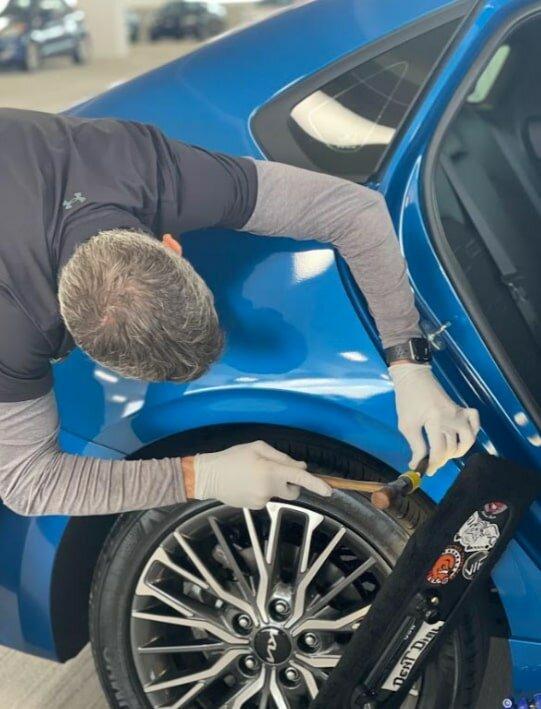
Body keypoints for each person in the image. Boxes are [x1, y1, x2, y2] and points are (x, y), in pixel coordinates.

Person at [0, 108, 479, 516]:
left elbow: (354, 210)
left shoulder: (137, 166)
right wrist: (198, 476)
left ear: (171, 246)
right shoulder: (12, 330)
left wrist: (409, 365)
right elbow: (26, 482)